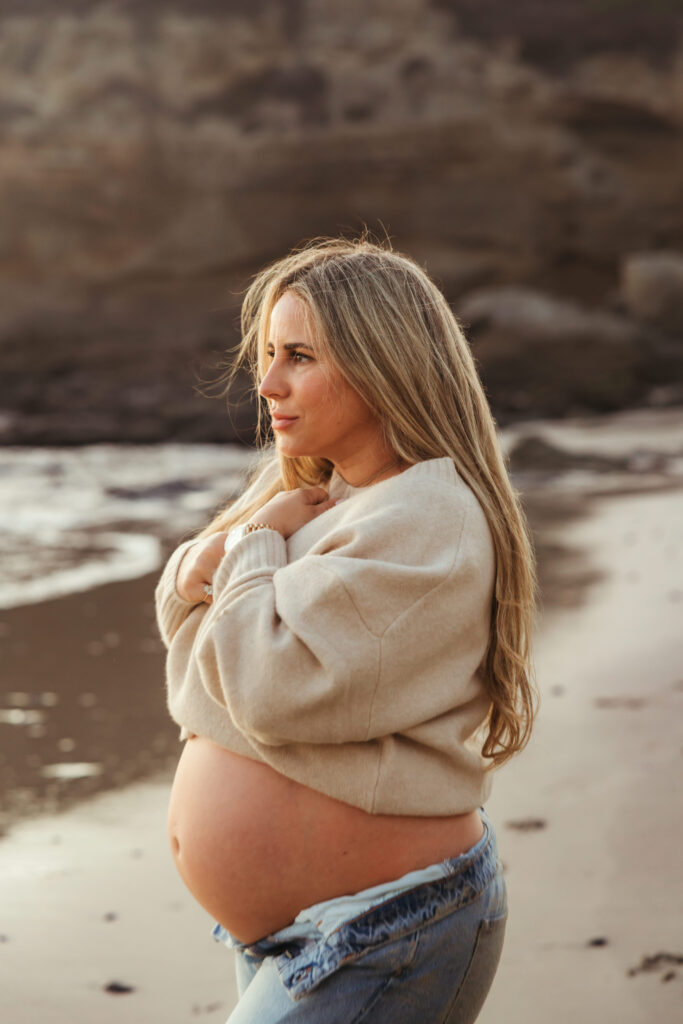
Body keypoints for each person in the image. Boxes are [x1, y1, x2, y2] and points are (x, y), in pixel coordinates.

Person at [155, 235, 538, 1023]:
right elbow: (185, 624)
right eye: (267, 353)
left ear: (381, 364)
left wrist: (250, 548)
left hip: (384, 928)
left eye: (299, 356)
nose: (266, 383)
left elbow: (264, 689)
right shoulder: (316, 487)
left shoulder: (427, 519)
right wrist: (218, 552)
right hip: (299, 932)